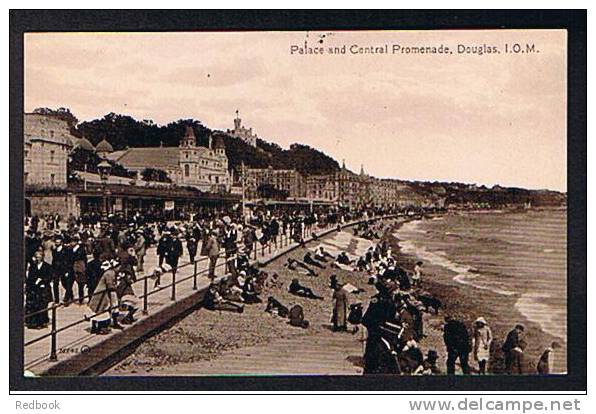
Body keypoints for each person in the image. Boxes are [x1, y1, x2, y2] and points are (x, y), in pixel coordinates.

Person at [25, 250, 53, 329]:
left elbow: (49, 276)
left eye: (39, 257)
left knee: (42, 306)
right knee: (35, 305)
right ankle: (34, 323)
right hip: (35, 289)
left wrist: (43, 281)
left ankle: (42, 322)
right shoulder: (32, 266)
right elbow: (30, 277)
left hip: (44, 289)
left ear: (42, 257)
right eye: (36, 257)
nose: (37, 259)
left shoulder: (47, 266)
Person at [71, 235, 87, 304]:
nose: (71, 243)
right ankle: (70, 296)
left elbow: (84, 259)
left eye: (73, 241)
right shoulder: (71, 249)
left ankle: (81, 299)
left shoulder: (81, 249)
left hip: (80, 266)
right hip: (73, 266)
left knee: (80, 284)